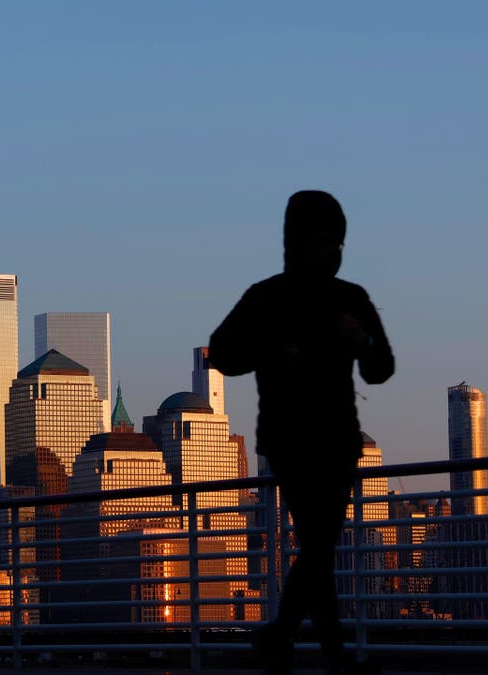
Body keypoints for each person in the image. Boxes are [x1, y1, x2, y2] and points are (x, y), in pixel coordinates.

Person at [208, 190, 393, 675]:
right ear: (295, 243)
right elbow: (223, 354)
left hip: (329, 442)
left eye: (334, 242)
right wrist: (273, 350)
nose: (328, 251)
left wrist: (361, 340)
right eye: (319, 241)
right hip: (296, 441)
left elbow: (381, 368)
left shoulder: (346, 298)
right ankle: (300, 642)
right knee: (320, 546)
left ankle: (303, 644)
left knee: (318, 548)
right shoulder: (270, 297)